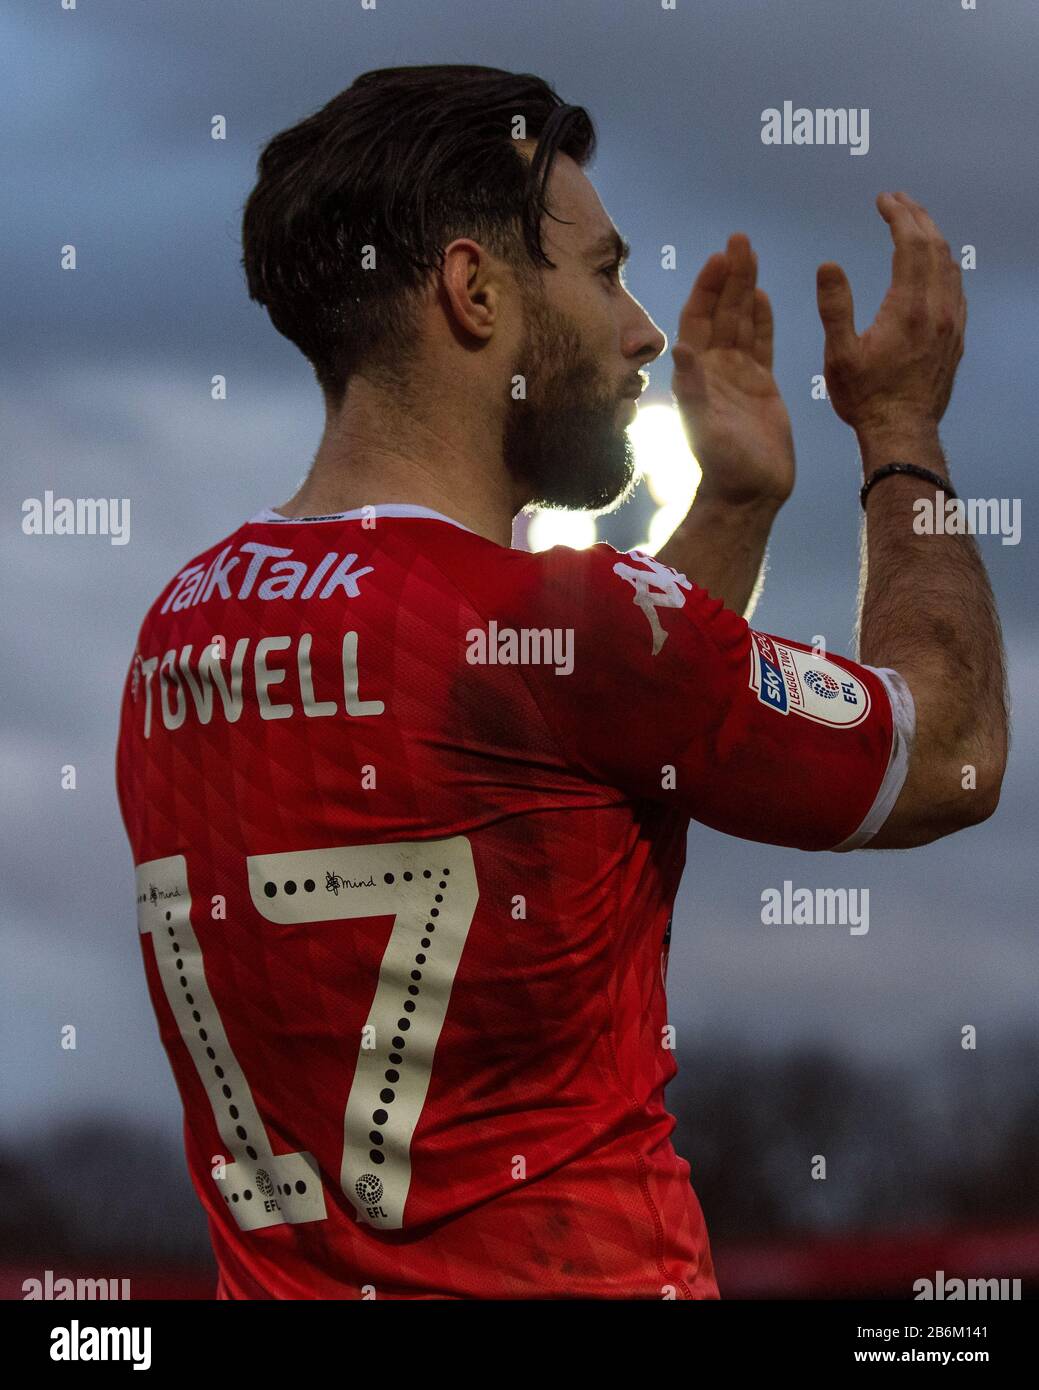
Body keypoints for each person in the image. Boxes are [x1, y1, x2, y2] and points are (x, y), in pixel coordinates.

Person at [115, 65, 1007, 1299]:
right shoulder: (565, 628)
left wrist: (733, 507)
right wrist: (903, 431)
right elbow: (950, 749)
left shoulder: (179, 626)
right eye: (602, 274)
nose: (641, 327)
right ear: (474, 292)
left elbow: (563, 749)